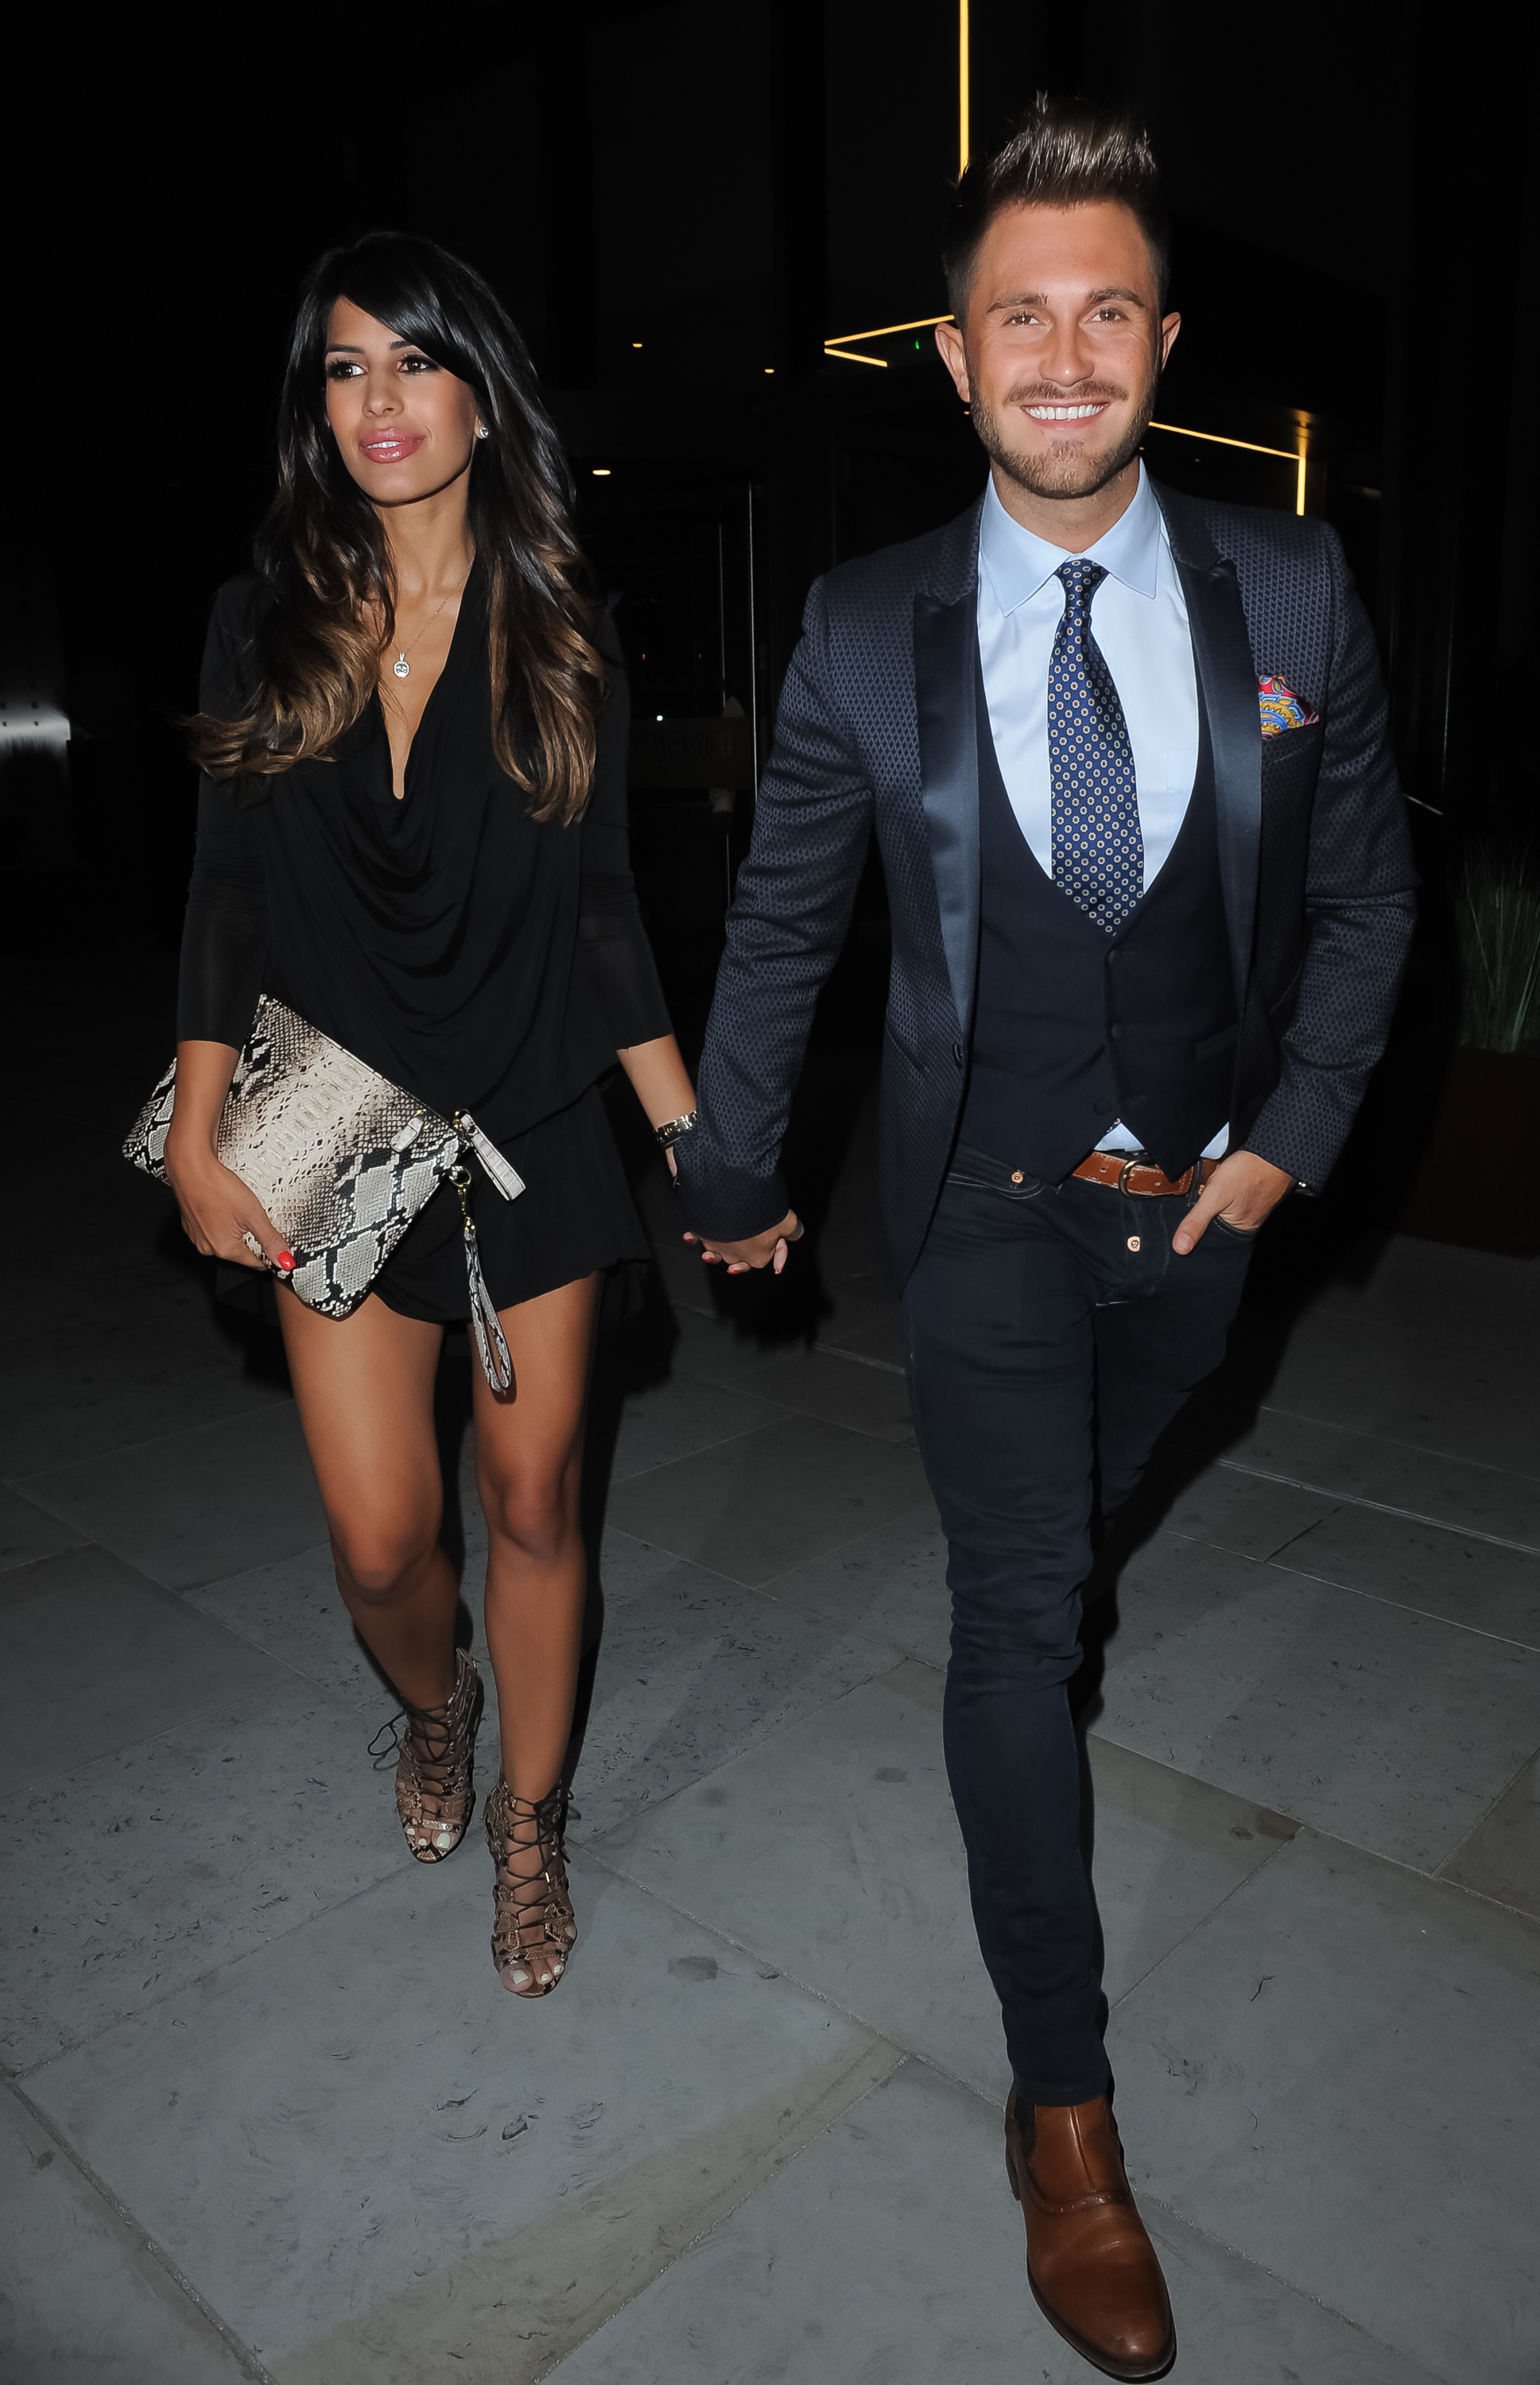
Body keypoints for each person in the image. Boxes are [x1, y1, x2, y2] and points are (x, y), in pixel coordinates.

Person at [673, 98, 1414, 2381]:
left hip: (1205, 1203)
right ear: (956, 355)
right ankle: (1066, 2117)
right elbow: (786, 921)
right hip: (983, 1199)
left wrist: (1286, 1149)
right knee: (1014, 1617)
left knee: (1077, 1542)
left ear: (1165, 342)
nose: (1065, 356)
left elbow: (1370, 904)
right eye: (1022, 317)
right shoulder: (859, 626)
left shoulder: (1294, 594)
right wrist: (731, 1160)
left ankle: (1054, 1604)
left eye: (1108, 313)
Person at [167, 232, 698, 2003]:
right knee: (384, 1539)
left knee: (534, 1501)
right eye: (345, 368)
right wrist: (201, 1128)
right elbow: (227, 889)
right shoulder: (264, 621)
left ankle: (533, 1823)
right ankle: (436, 1701)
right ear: (316, 405)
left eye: (414, 361)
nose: (379, 401)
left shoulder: (564, 633)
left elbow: (609, 914)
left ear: (482, 396)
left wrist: (694, 1138)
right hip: (326, 1107)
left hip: (530, 1099)